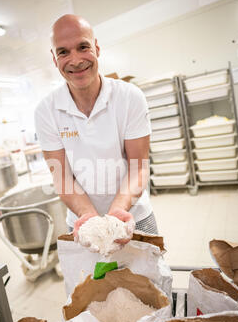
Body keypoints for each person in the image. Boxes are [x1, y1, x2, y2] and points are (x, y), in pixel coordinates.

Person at [34, 14, 158, 247]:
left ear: (97, 48)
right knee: (92, 282)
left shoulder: (129, 97)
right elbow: (61, 176)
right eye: (63, 52)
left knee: (149, 281)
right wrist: (89, 218)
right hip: (83, 223)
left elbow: (138, 168)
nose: (75, 60)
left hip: (134, 217)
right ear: (54, 58)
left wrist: (117, 213)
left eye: (83, 47)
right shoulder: (46, 111)